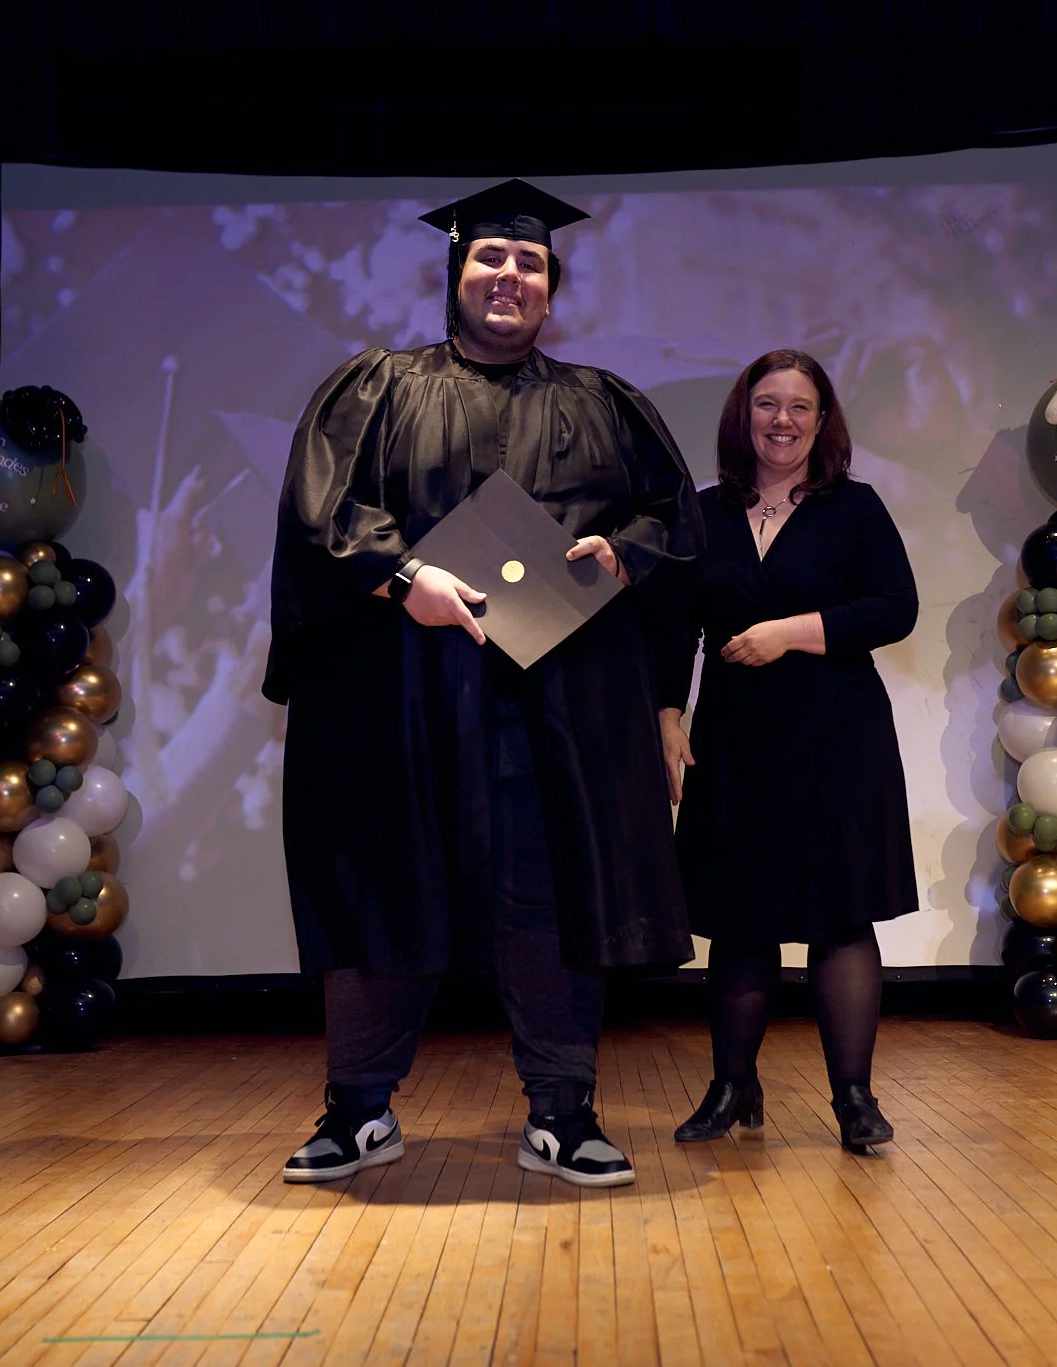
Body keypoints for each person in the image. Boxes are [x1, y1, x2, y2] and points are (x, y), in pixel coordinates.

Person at [263, 180, 701, 1187]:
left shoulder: (600, 403)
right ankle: (356, 1108)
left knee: (543, 898)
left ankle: (562, 1109)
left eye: (529, 264)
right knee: (387, 886)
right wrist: (400, 575)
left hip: (550, 706)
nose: (509, 276)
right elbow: (318, 515)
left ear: (551, 289)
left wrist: (626, 549)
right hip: (403, 697)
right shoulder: (374, 389)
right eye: (490, 260)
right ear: (454, 272)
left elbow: (673, 520)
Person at [659, 349, 919, 1153]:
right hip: (735, 739)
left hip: (838, 737)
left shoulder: (856, 507)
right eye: (767, 404)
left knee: (841, 920)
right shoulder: (701, 512)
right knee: (740, 923)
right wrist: (669, 714)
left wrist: (791, 633)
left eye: (800, 406)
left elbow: (894, 607)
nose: (782, 420)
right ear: (744, 415)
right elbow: (673, 626)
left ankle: (854, 1100)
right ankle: (734, 1088)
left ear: (822, 420)